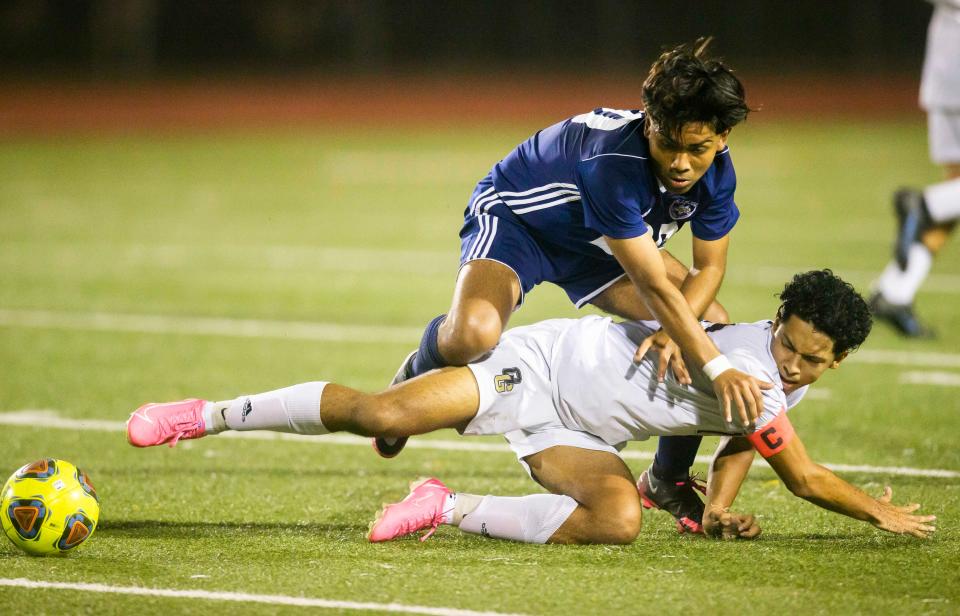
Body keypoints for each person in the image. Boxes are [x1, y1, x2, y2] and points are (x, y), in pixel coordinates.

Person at [126, 270, 936, 544]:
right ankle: (206, 414)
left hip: (578, 430)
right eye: (789, 345)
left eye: (812, 359)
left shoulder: (775, 382)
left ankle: (445, 504)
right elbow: (798, 473)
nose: (794, 363)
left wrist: (718, 505)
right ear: (779, 325)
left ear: (837, 359)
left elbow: (738, 438)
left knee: (618, 519)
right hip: (541, 368)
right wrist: (879, 513)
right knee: (383, 417)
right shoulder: (757, 369)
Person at [375, 38, 769, 534]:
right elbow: (650, 281)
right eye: (669, 144)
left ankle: (667, 478)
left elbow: (708, 269)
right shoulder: (612, 162)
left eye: (698, 149)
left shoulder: (717, 175)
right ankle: (423, 361)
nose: (681, 164)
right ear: (649, 125)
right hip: (523, 221)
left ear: (723, 137)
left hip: (599, 242)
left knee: (712, 322)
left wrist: (681, 335)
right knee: (473, 336)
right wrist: (707, 359)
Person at [870, 0, 960, 338]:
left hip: (946, 68)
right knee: (947, 199)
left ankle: (896, 291)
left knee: (957, 189)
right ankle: (924, 203)